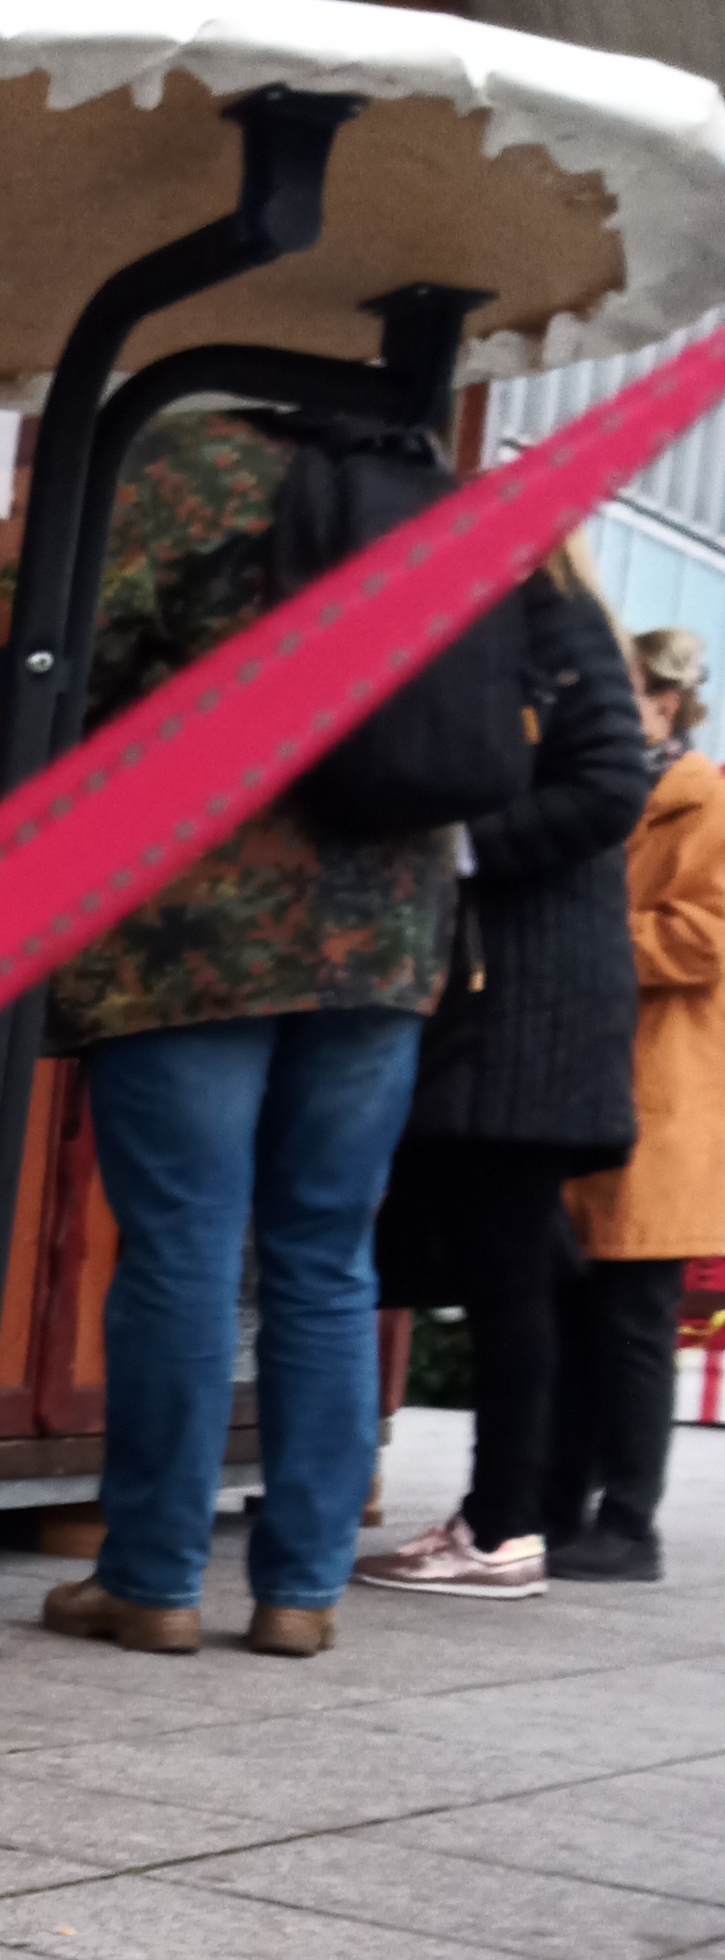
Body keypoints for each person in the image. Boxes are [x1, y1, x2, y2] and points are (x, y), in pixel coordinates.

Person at [36, 408, 458, 1660]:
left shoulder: (185, 461)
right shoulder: (429, 485)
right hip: (386, 928)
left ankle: (154, 1580)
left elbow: (50, 648)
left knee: (185, 1245)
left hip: (197, 920)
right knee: (327, 1258)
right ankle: (302, 1593)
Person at [357, 553, 649, 1595]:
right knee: (527, 1269)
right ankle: (534, 1511)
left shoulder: (549, 615)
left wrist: (456, 848)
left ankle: (503, 1524)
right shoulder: (540, 615)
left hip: (526, 999)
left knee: (507, 1268)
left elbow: (610, 786)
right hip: (517, 998)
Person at [547, 625, 725, 1579]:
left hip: (662, 1097)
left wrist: (589, 936)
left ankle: (629, 1524)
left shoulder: (706, 803)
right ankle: (556, 1507)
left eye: (624, 693)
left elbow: (705, 938)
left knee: (632, 1320)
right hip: (589, 1089)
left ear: (665, 701)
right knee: (573, 1312)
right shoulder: (600, 794)